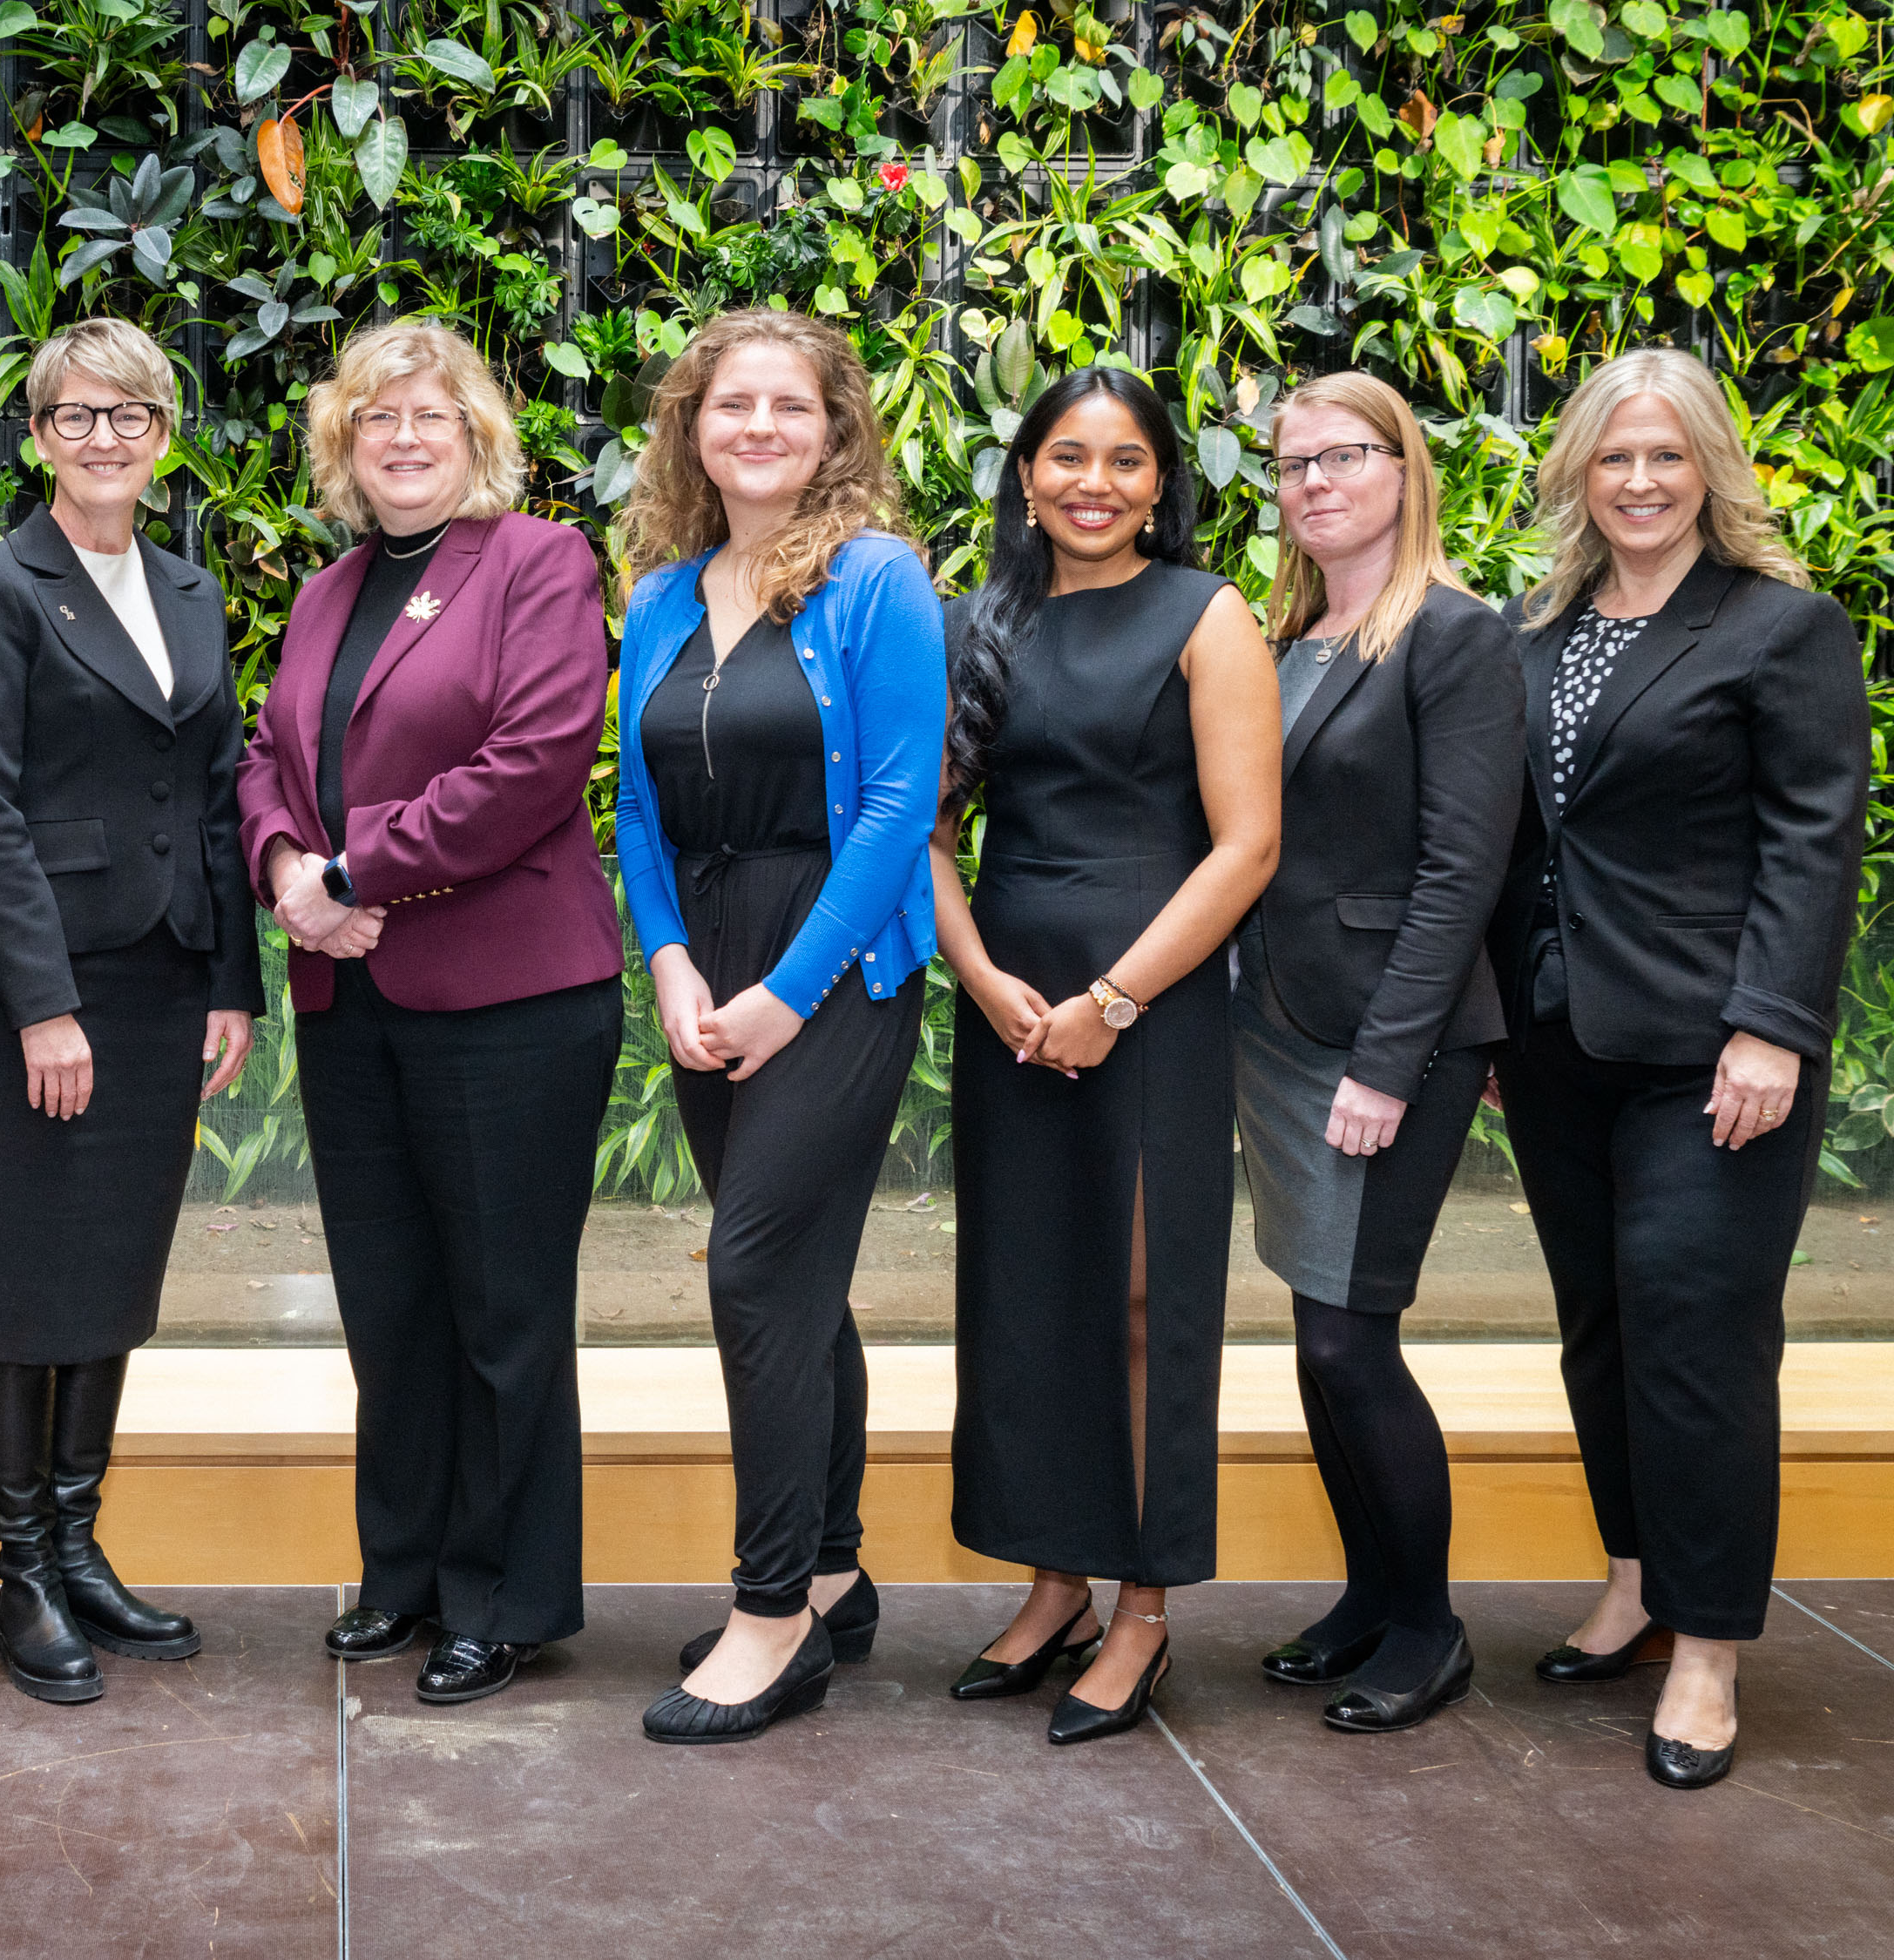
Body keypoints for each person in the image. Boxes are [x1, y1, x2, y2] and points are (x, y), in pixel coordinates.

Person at [1490, 347, 1866, 1789]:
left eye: (1666, 455)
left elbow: (1814, 838)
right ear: (1578, 470)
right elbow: (1518, 843)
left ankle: (1707, 1649)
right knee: (1601, 1322)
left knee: (1699, 1337)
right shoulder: (1543, 629)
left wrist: (1773, 1021)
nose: (1639, 481)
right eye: (1614, 456)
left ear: (1712, 466)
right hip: (1554, 1040)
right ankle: (1639, 1578)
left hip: (1717, 1051)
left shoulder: (1781, 628)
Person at [234, 317, 623, 1706]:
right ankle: (402, 1571)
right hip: (354, 995)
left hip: (510, 996)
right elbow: (267, 753)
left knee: (502, 1310)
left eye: (432, 419)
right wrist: (287, 868)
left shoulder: (536, 562)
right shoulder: (330, 589)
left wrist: (349, 867)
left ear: (480, 441)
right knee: (390, 1304)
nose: (404, 440)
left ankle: (504, 1596)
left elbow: (537, 759)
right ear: (345, 446)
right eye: (377, 421)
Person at [608, 310, 945, 1745]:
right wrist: (674, 966)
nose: (757, 425)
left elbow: (896, 808)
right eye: (729, 403)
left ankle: (770, 1617)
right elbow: (632, 804)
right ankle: (833, 1563)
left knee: (752, 1272)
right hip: (712, 963)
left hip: (837, 967)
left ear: (832, 428)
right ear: (693, 427)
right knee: (800, 1276)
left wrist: (780, 991)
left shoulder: (878, 581)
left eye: (787, 405)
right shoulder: (668, 593)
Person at [934, 365, 1279, 1746]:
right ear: (1025, 476)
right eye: (1067, 456)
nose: (1094, 482)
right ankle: (1053, 1580)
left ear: (1161, 485)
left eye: (1125, 460)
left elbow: (1249, 846)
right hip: (1010, 1006)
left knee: (1141, 1303)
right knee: (1028, 1296)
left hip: (1155, 1007)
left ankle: (1142, 1603)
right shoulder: (979, 624)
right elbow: (927, 833)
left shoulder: (1210, 615)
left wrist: (1112, 1001)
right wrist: (988, 981)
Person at [0, 320, 262, 1703]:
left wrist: (232, 973)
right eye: (76, 416)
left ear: (163, 434)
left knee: (112, 1280)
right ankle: (21, 1576)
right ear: (37, 436)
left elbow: (222, 783)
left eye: (130, 415)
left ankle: (78, 1542)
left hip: (162, 982)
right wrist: (41, 1006)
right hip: (36, 995)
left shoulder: (187, 587)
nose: (104, 438)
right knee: (24, 1288)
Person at [1233, 373, 1524, 1734]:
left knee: (1355, 1341)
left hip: (1383, 1039)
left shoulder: (1456, 638)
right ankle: (1365, 1596)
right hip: (1278, 1027)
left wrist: (1388, 1065)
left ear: (1405, 470)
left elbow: (1464, 871)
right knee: (1315, 1336)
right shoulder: (1288, 634)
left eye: (1343, 456)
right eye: (1291, 466)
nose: (1313, 484)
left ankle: (1428, 1622)